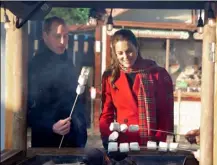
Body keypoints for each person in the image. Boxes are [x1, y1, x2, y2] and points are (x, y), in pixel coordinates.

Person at [99, 29, 174, 149]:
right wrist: (108, 137)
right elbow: (106, 114)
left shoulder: (158, 74)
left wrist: (160, 143)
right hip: (122, 143)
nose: (125, 57)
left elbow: (165, 114)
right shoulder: (110, 76)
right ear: (115, 54)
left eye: (129, 51)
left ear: (137, 48)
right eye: (120, 53)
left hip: (152, 143)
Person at [27, 16, 87, 147]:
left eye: (66, 36)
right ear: (45, 35)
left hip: (73, 138)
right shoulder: (36, 65)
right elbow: (27, 109)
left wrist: (81, 128)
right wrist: (51, 126)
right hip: (47, 140)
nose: (62, 41)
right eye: (57, 36)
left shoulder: (68, 60)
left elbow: (74, 99)